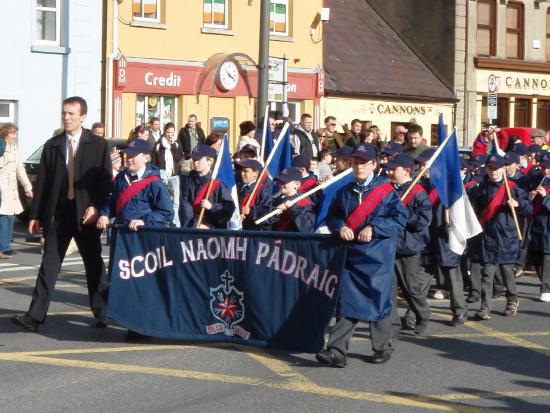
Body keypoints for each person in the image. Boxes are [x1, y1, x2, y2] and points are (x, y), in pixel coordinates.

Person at [12, 96, 112, 332]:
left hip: (85, 214)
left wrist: (95, 206)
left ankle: (103, 313)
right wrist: (35, 215)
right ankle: (34, 316)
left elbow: (105, 180)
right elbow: (44, 183)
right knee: (49, 265)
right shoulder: (53, 145)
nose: (66, 118)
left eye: (71, 114)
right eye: (64, 113)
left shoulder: (98, 146)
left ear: (82, 117)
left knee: (94, 264)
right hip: (58, 214)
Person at [316, 145, 408, 367]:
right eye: (355, 162)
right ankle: (336, 351)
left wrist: (374, 228)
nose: (359, 166)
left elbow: (400, 219)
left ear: (373, 165)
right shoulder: (344, 191)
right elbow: (334, 216)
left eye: (363, 162)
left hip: (377, 256)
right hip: (352, 253)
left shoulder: (386, 191)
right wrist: (340, 227)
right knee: (347, 300)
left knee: (379, 300)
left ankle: (382, 347)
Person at [97, 138, 173, 340]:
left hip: (143, 240)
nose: (127, 159)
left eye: (132, 156)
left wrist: (144, 221)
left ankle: (141, 326)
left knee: (142, 282)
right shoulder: (122, 178)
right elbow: (111, 201)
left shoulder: (154, 182)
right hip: (122, 238)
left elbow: (166, 212)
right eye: (127, 155)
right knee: (122, 279)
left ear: (145, 157)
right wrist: (105, 213)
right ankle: (128, 319)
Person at [468, 155, 532, 320]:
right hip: (487, 236)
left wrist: (518, 204)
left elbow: (528, 207)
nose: (494, 171)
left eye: (497, 168)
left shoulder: (512, 187)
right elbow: (473, 209)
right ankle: (485, 307)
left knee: (506, 271)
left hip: (506, 235)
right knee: (487, 273)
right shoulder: (481, 188)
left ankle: (512, 299)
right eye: (490, 168)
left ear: (503, 169)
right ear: (486, 169)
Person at [385, 154, 432, 336]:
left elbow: (422, 221)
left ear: (405, 171)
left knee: (410, 287)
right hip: (388, 244)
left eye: (393, 169)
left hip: (408, 246)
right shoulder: (387, 189)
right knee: (388, 288)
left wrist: (402, 213)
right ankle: (392, 324)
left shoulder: (418, 192)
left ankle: (422, 313)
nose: (389, 171)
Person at [179, 145, 235, 229]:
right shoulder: (188, 181)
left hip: (214, 230)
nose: (195, 162)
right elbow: (185, 207)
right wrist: (195, 225)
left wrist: (212, 207)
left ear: (210, 161)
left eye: (199, 159)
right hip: (194, 228)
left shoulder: (219, 183)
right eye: (194, 159)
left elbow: (228, 207)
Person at [0, 123, 33, 258]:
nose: (14, 136)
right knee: (3, 218)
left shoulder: (14, 147)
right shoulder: (1, 147)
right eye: (12, 134)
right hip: (1, 187)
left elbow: (20, 168)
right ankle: (2, 248)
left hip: (11, 188)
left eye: (15, 134)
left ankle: (6, 246)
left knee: (11, 217)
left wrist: (27, 187)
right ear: (5, 134)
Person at [151, 122, 184, 227]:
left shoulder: (177, 143)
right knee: (164, 198)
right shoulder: (158, 144)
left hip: (174, 174)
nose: (170, 134)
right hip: (162, 173)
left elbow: (178, 158)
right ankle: (164, 222)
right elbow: (154, 161)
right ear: (164, 132)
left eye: (172, 132)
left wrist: (173, 145)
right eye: (168, 132)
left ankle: (175, 222)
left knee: (175, 200)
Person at [528, 152, 550, 302]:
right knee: (536, 255)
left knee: (547, 256)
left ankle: (546, 288)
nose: (545, 170)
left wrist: (546, 197)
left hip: (548, 225)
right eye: (542, 167)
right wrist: (530, 197)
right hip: (537, 223)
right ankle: (545, 282)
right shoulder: (538, 179)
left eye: (548, 167)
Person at [269, 167, 315, 232]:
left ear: (296, 184)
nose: (281, 184)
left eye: (284, 181)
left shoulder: (304, 202)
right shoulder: (275, 199)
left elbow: (308, 229)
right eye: (280, 181)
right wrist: (275, 214)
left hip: (290, 240)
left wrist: (294, 208)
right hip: (272, 239)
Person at [238, 159, 273, 231]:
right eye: (241, 171)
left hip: (252, 232)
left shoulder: (262, 191)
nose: (242, 173)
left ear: (255, 174)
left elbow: (268, 213)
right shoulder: (237, 188)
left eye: (246, 171)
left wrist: (251, 211)